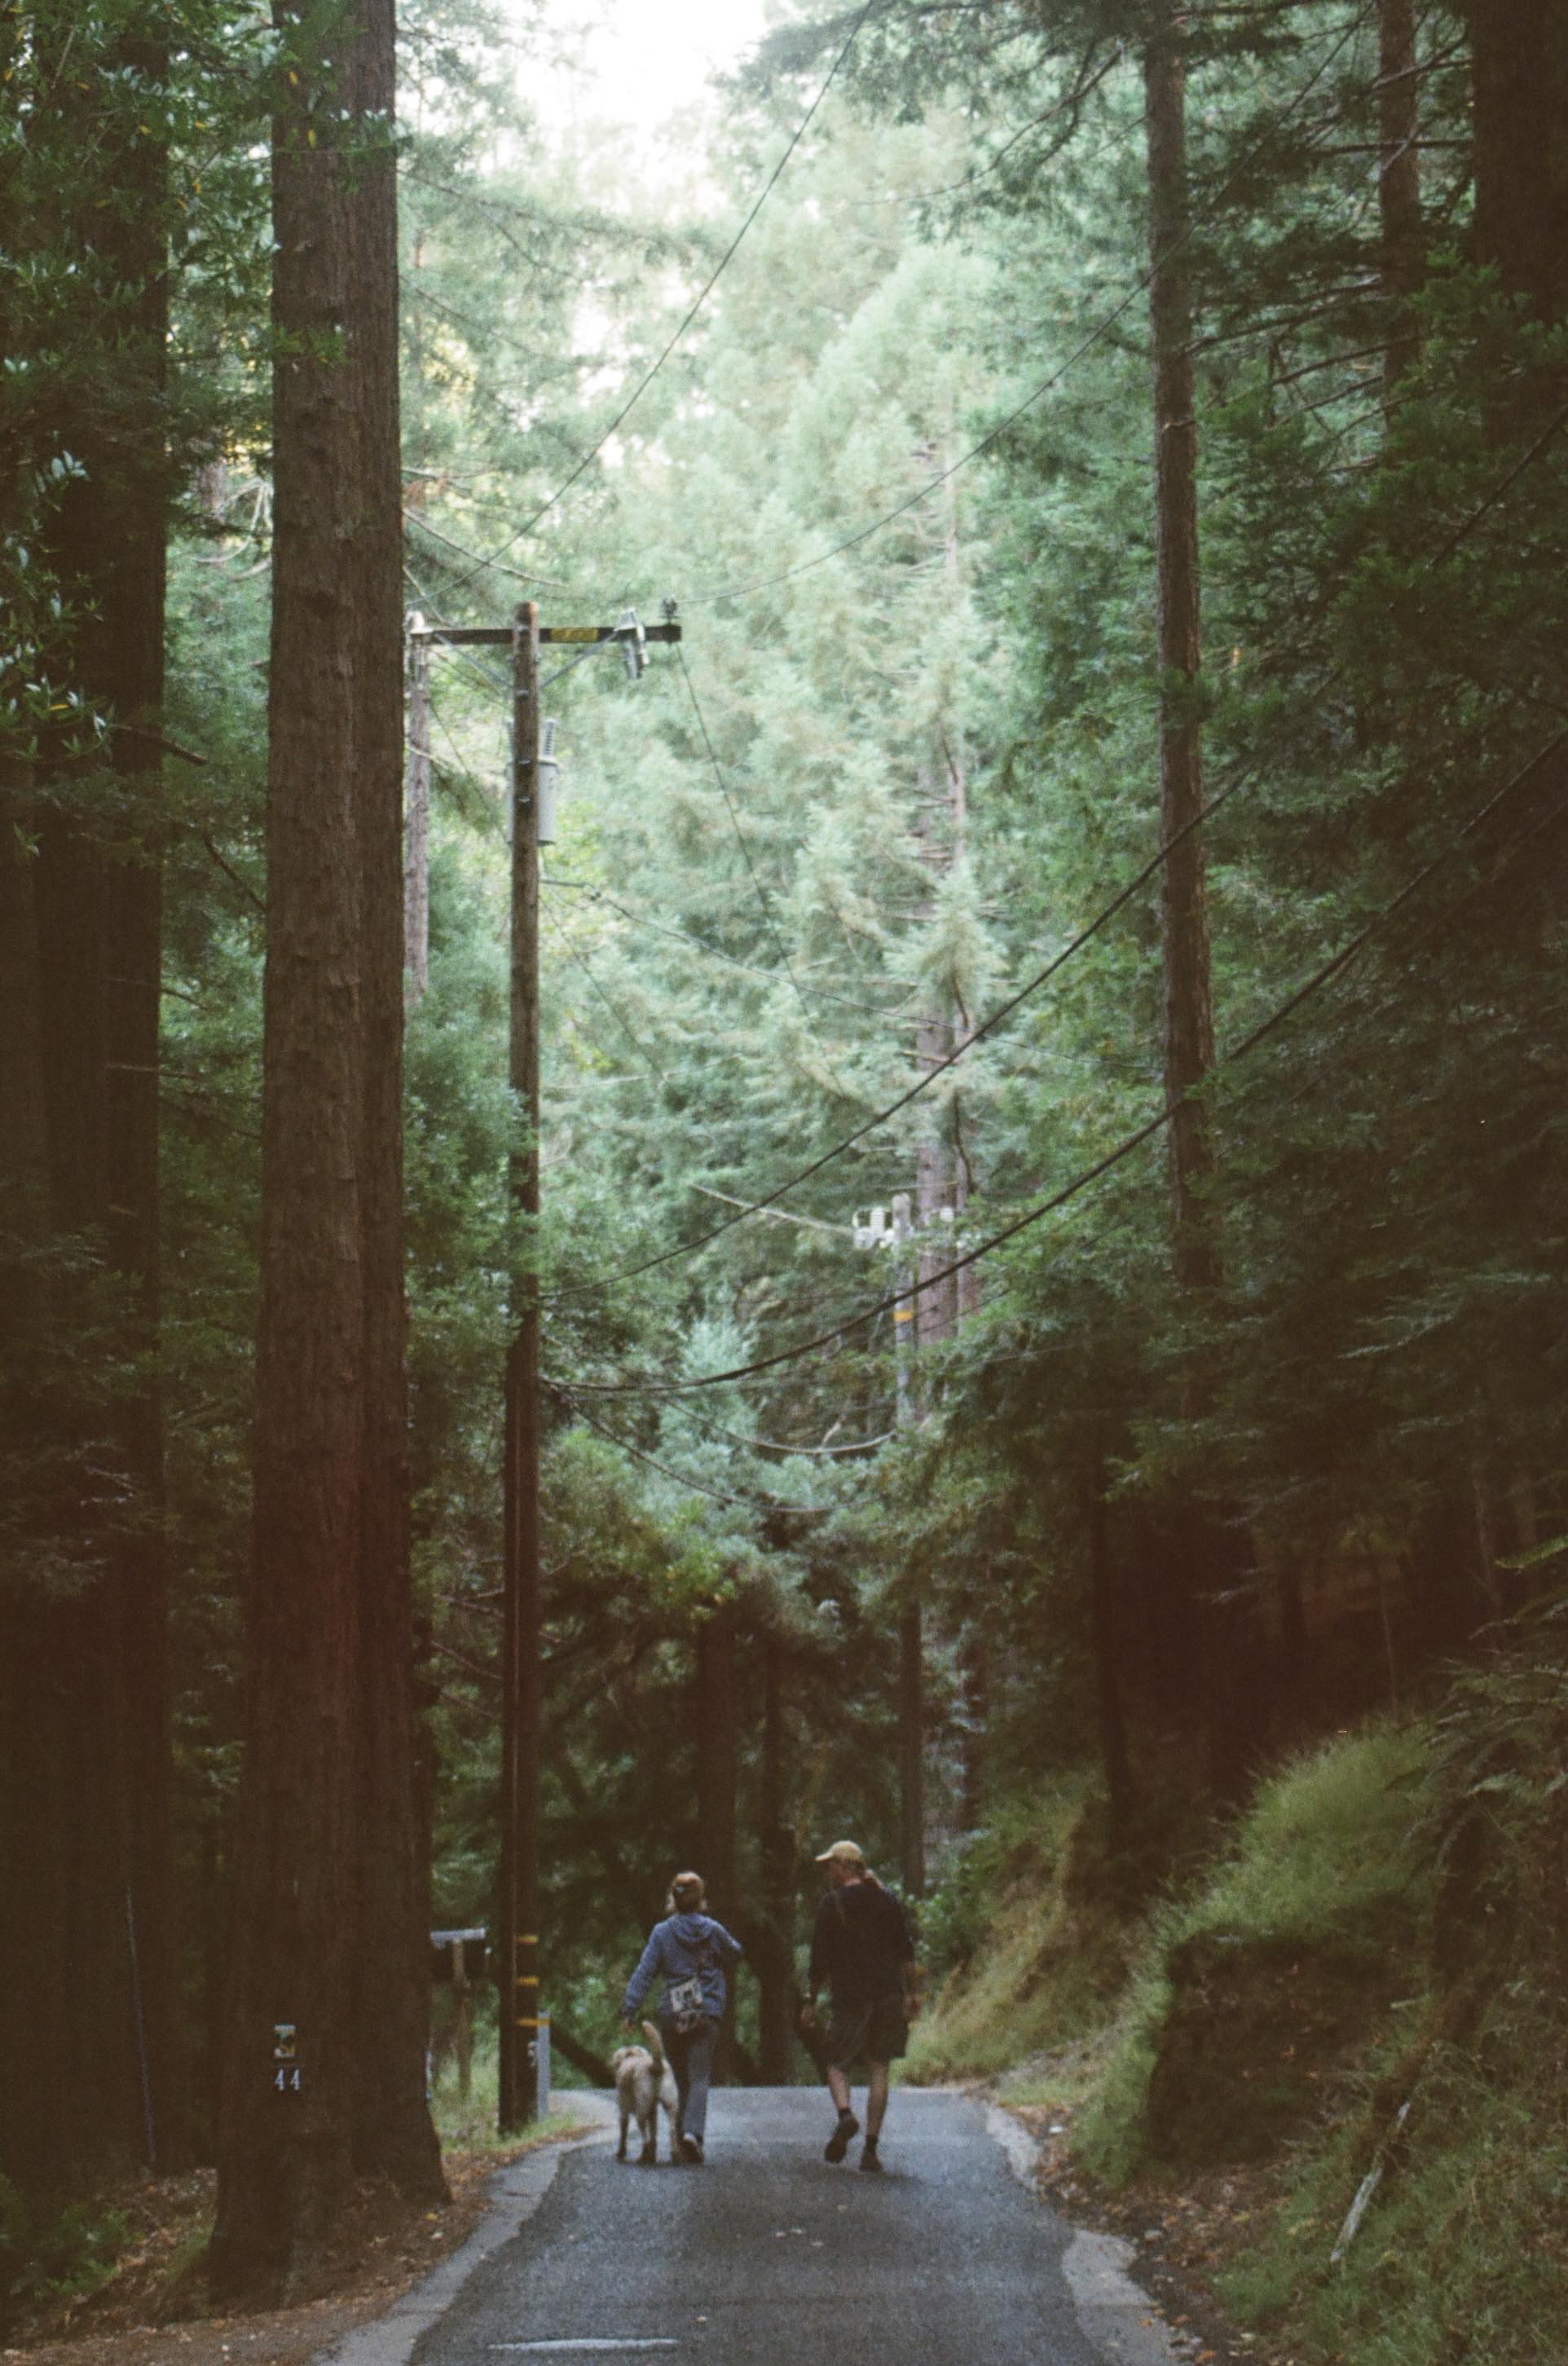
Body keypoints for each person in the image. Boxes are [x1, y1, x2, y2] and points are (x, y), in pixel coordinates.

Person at [802, 1838, 918, 2173]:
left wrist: (810, 1999)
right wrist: (912, 1994)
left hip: (850, 1997)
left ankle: (845, 2115)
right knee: (878, 2066)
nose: (828, 1872)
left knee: (836, 2062)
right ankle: (870, 2149)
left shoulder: (831, 1904)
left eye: (831, 1865)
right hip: (887, 1994)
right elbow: (905, 1953)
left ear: (846, 1866)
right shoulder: (887, 1901)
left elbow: (819, 1961)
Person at [621, 1870, 742, 2166]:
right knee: (700, 2075)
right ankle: (692, 2134)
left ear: (673, 1899)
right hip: (707, 2010)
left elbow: (645, 1972)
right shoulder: (713, 1930)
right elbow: (736, 1953)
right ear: (701, 1899)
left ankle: (679, 2135)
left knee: (679, 2078)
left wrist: (630, 2009)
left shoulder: (662, 1932)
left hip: (674, 2012)